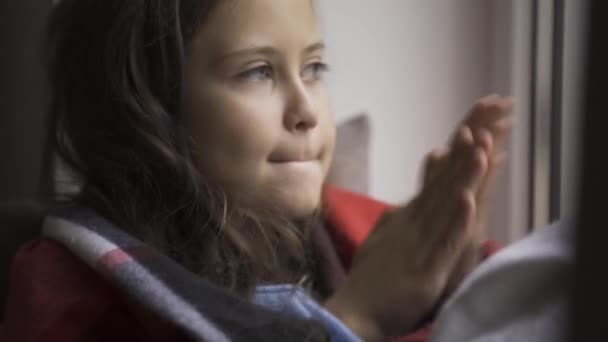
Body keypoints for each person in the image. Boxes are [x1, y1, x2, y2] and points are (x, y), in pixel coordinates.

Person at [1, 0, 513, 341]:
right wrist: (357, 317)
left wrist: (461, 278)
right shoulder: (69, 284)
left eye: (313, 68)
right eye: (258, 71)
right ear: (146, 107)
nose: (306, 109)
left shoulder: (354, 226)